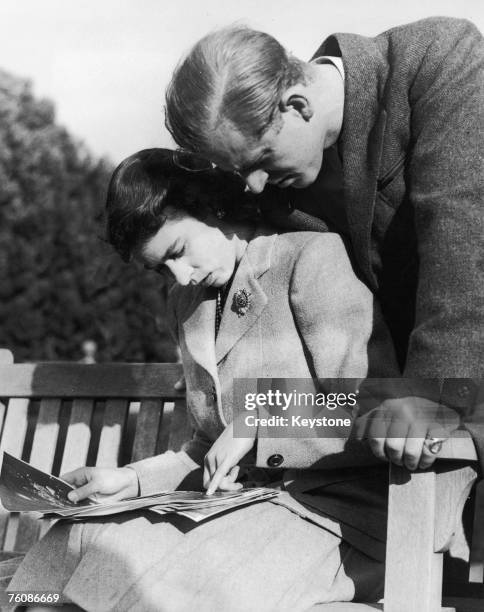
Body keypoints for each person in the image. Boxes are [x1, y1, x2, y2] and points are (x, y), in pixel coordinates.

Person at [9, 147, 446, 611]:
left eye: (177, 251)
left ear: (212, 208)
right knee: (77, 536)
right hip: (242, 509)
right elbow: (207, 447)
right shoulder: (188, 302)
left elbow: (376, 409)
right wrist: (132, 481)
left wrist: (259, 421)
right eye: (161, 267)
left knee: (156, 572)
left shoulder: (310, 260)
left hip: (344, 518)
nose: (179, 275)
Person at [164, 17, 484, 473]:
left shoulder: (437, 59)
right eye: (239, 172)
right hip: (393, 432)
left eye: (260, 160)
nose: (253, 188)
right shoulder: (275, 186)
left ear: (297, 105)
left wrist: (429, 391)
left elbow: (464, 244)